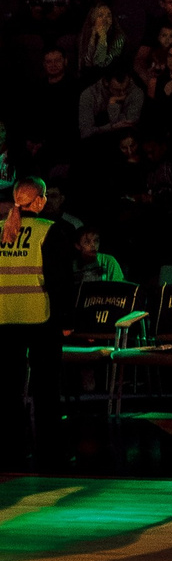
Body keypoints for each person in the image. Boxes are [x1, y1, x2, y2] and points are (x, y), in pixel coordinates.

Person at [0, 180, 69, 471]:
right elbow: (60, 280)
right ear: (39, 201)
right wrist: (66, 321)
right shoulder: (51, 229)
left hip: (4, 319)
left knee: (6, 391)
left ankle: (10, 452)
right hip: (42, 319)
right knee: (46, 391)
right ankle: (50, 453)